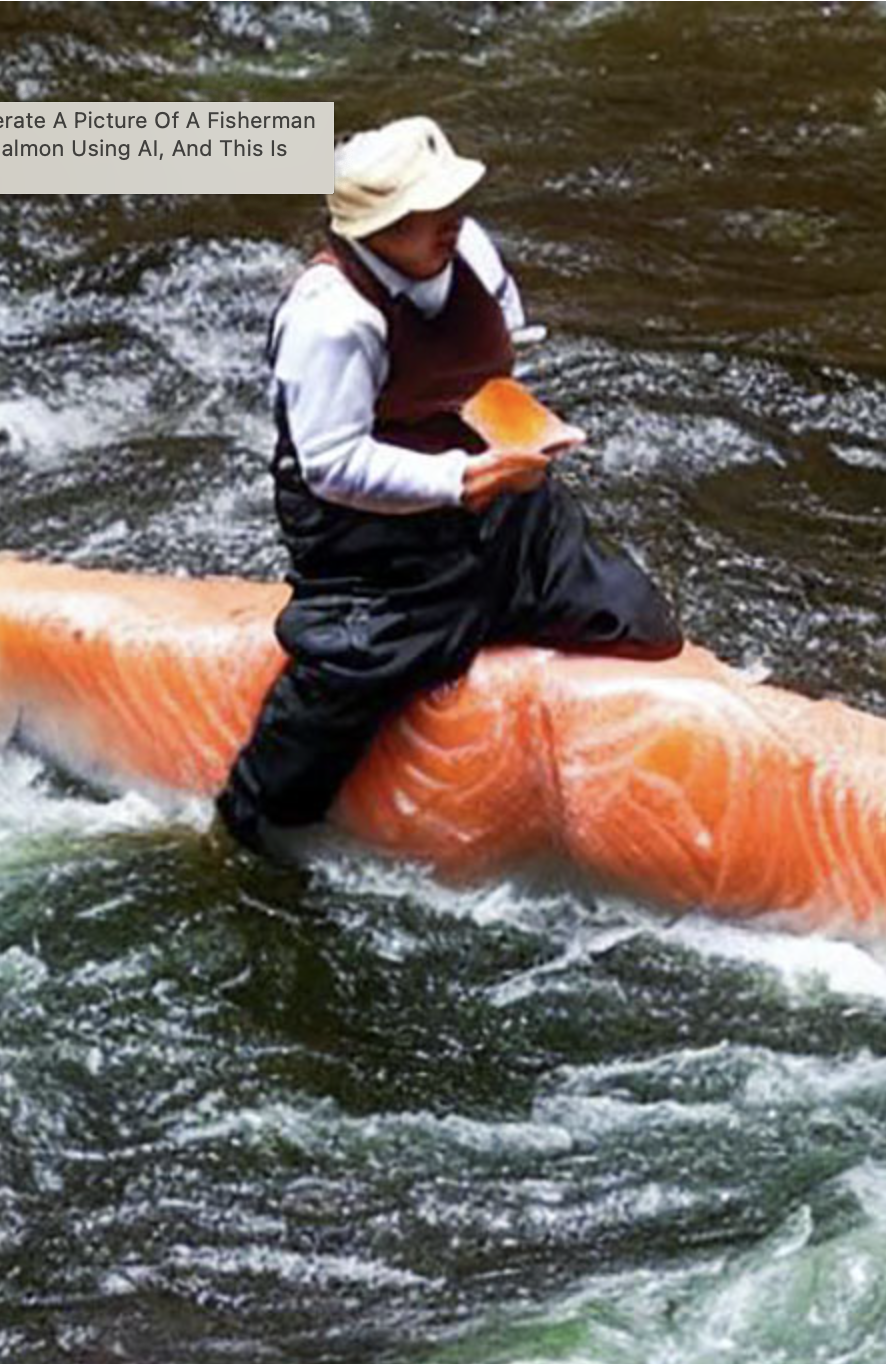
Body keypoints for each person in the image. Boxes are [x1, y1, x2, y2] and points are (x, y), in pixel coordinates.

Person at [216, 115, 682, 852]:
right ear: (377, 227)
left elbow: (499, 355)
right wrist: (459, 479)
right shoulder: (332, 318)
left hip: (497, 498)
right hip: (372, 547)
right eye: (425, 212)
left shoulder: (468, 248)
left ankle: (493, 677)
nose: (449, 220)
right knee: (342, 690)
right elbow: (331, 463)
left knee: (639, 623)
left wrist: (517, 434)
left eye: (450, 203)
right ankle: (239, 828)